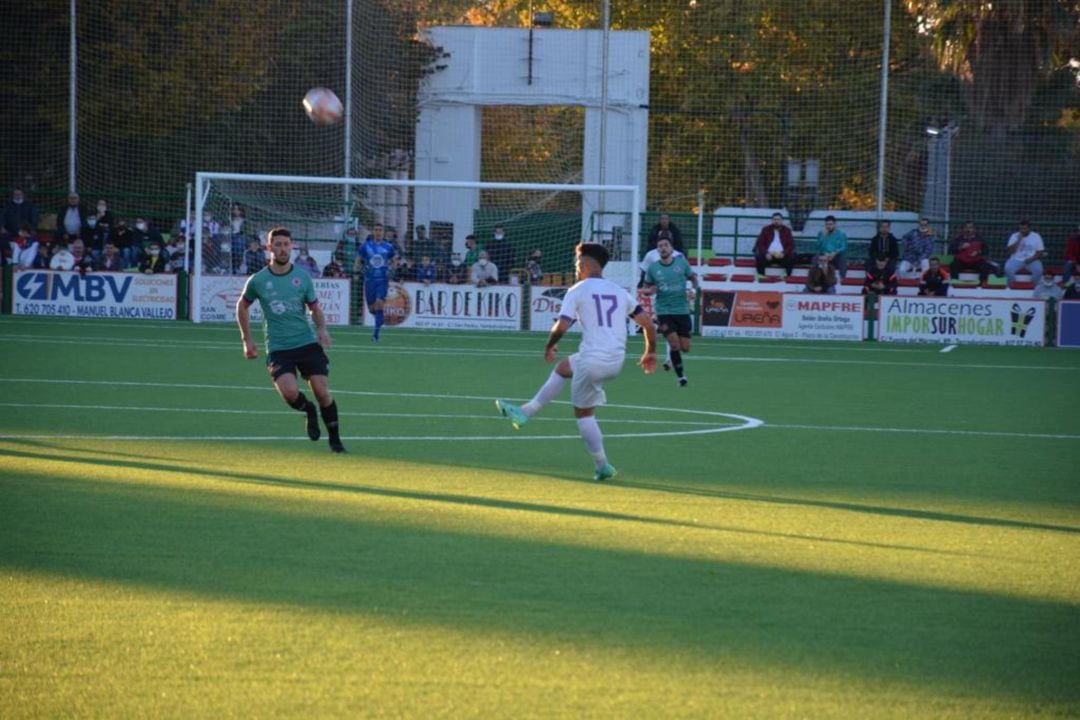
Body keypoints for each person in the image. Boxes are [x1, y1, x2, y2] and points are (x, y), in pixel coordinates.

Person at [495, 242, 657, 481]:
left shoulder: (578, 290)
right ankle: (525, 412)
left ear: (584, 263)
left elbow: (562, 324)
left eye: (576, 262)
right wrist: (650, 352)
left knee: (584, 414)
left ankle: (602, 466)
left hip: (594, 361)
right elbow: (649, 325)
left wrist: (550, 345)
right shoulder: (619, 291)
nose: (575, 267)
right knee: (563, 368)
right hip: (615, 359)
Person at [237, 226, 345, 453]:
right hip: (278, 347)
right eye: (278, 244)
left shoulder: (302, 277)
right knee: (289, 393)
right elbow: (242, 306)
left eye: (286, 244)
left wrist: (322, 328)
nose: (283, 249)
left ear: (292, 246)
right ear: (270, 248)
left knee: (322, 391)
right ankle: (308, 410)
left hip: (306, 342)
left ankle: (335, 441)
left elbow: (314, 308)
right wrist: (247, 339)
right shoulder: (258, 280)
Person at [642, 236, 699, 386]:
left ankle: (675, 359)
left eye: (666, 245)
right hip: (664, 311)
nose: (663, 248)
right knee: (674, 345)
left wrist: (693, 289)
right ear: (657, 249)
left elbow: (694, 278)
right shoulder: (653, 268)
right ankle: (681, 377)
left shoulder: (682, 263)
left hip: (682, 310)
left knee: (685, 348)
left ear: (671, 248)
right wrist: (650, 290)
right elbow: (645, 289)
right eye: (660, 246)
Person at [357, 222, 397, 342]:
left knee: (379, 303)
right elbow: (357, 263)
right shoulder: (366, 246)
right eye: (376, 230)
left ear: (383, 232)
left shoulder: (388, 246)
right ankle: (380, 319)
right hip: (369, 281)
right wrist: (361, 269)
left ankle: (376, 334)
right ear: (373, 232)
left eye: (380, 230)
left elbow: (394, 260)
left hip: (382, 280)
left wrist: (391, 269)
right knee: (372, 309)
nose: (378, 232)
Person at [949, 220, 995, 285]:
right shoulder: (958, 239)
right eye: (966, 227)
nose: (968, 229)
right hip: (962, 262)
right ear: (963, 229)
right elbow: (951, 250)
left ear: (974, 229)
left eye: (970, 227)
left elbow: (986, 250)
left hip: (975, 262)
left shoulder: (979, 239)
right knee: (953, 266)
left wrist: (978, 252)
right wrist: (960, 247)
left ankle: (980, 285)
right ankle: (956, 284)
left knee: (985, 266)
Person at [1004, 219, 1045, 287]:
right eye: (1021, 229)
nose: (1022, 230)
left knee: (1039, 270)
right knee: (1008, 268)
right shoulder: (1014, 236)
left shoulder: (1036, 236)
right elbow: (1011, 251)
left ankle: (1034, 287)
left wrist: (1031, 259)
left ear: (1029, 228)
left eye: (1024, 229)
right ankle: (1011, 286)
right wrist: (1018, 240)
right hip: (1016, 259)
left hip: (1032, 259)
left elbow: (1040, 251)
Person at [753, 212, 795, 277]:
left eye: (778, 219)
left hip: (781, 255)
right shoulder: (766, 229)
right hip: (769, 255)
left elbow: (791, 244)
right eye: (775, 219)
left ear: (781, 221)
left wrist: (784, 253)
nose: (776, 221)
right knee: (759, 258)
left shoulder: (787, 230)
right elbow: (760, 243)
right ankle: (762, 276)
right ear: (772, 220)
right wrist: (766, 253)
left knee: (791, 259)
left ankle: (787, 276)